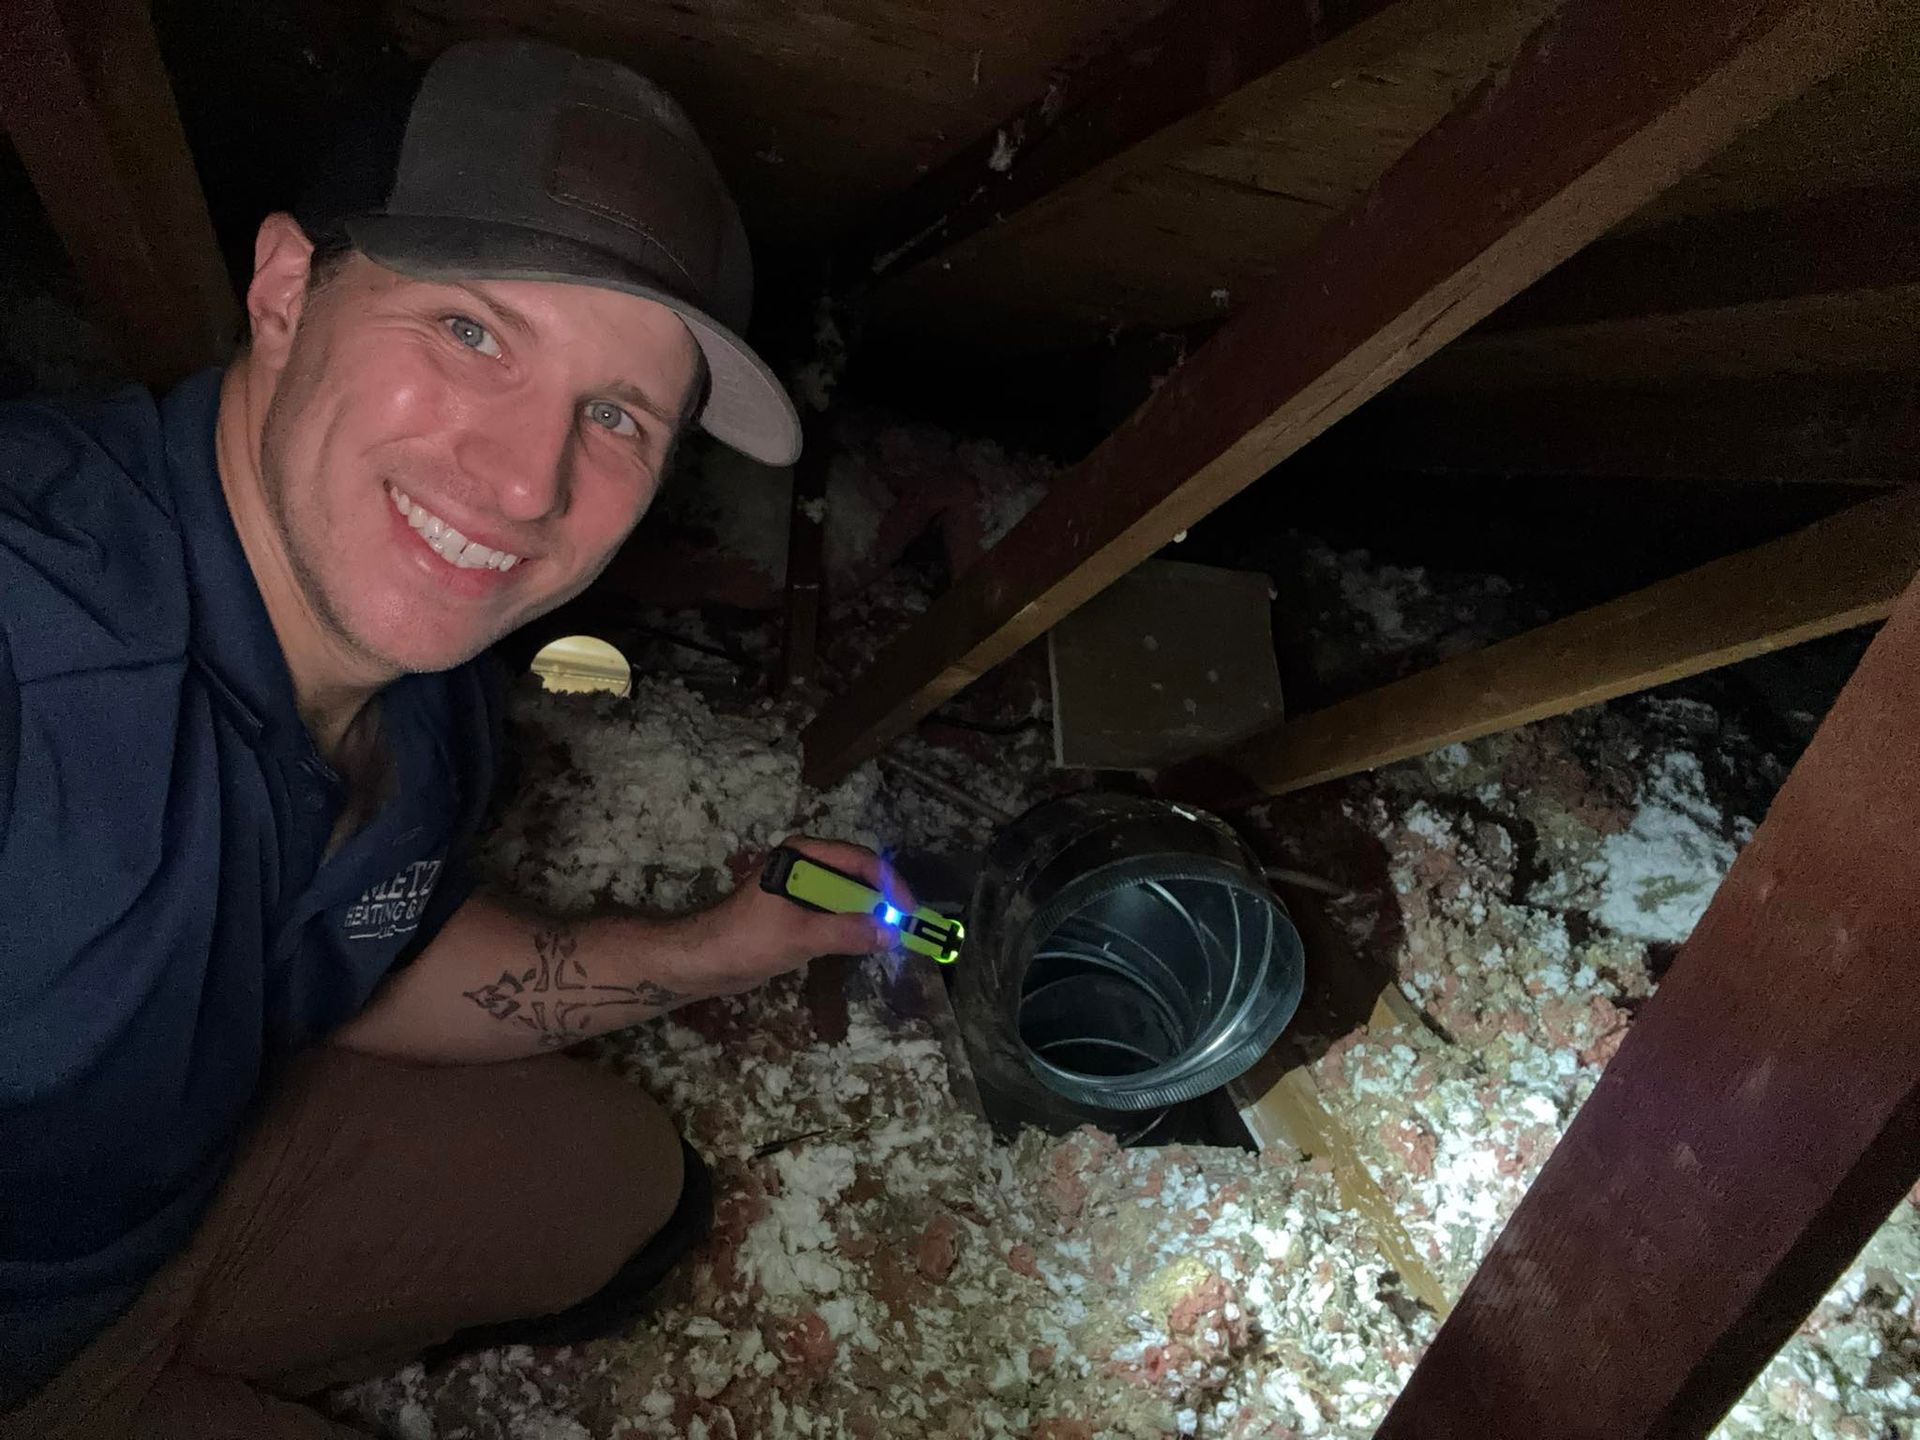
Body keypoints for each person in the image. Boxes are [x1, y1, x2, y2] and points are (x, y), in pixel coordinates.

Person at [0, 37, 910, 1438]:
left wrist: (713, 950)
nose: (523, 482)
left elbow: (376, 940)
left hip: (186, 1182)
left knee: (627, 1190)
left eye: (614, 416)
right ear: (289, 290)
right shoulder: (41, 642)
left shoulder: (425, 682)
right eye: (472, 331)